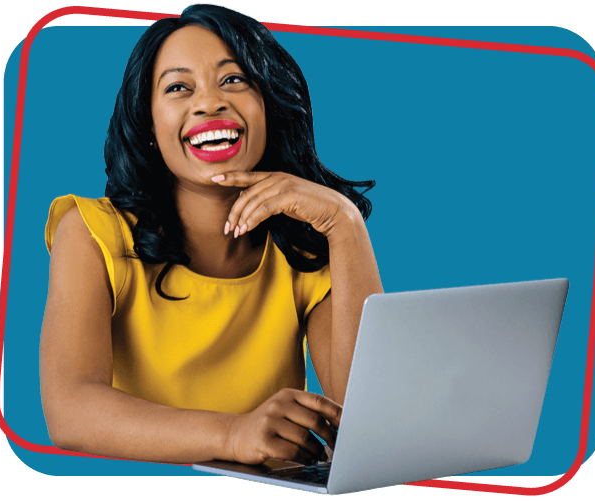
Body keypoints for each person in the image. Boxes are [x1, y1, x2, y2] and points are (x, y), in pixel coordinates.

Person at [40, 4, 383, 467]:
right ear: (149, 124)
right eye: (179, 87)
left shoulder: (302, 249)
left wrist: (346, 225)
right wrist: (233, 434)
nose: (209, 103)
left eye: (234, 80)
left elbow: (370, 419)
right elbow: (70, 413)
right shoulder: (91, 233)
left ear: (271, 105)